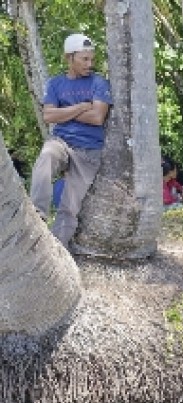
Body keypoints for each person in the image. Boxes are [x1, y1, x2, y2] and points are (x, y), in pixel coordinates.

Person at [29, 33, 112, 247]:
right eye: (84, 59)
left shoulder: (98, 82)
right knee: (46, 157)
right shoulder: (56, 84)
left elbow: (97, 118)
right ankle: (37, 217)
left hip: (88, 152)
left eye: (91, 59)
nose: (90, 64)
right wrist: (80, 107)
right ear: (69, 57)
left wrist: (63, 112)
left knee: (69, 208)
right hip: (61, 142)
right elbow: (48, 116)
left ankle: (56, 252)